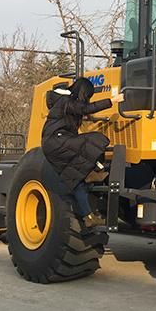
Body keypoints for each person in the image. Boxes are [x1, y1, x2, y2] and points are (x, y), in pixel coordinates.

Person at [41, 77, 124, 230]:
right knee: (97, 139)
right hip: (57, 141)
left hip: (52, 145)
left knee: (77, 180)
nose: (87, 99)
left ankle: (88, 217)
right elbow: (85, 108)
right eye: (88, 96)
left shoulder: (65, 103)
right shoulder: (65, 100)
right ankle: (96, 171)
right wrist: (113, 100)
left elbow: (79, 112)